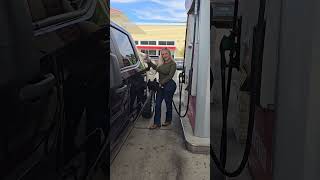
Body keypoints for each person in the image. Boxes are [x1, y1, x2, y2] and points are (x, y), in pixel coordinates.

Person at [145, 48, 177, 129]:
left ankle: (168, 120)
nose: (164, 55)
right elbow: (155, 67)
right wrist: (149, 61)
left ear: (169, 54)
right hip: (161, 86)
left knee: (168, 103)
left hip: (169, 86)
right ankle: (156, 123)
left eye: (166, 54)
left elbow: (170, 76)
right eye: (162, 54)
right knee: (157, 104)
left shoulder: (173, 64)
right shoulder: (161, 63)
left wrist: (161, 83)